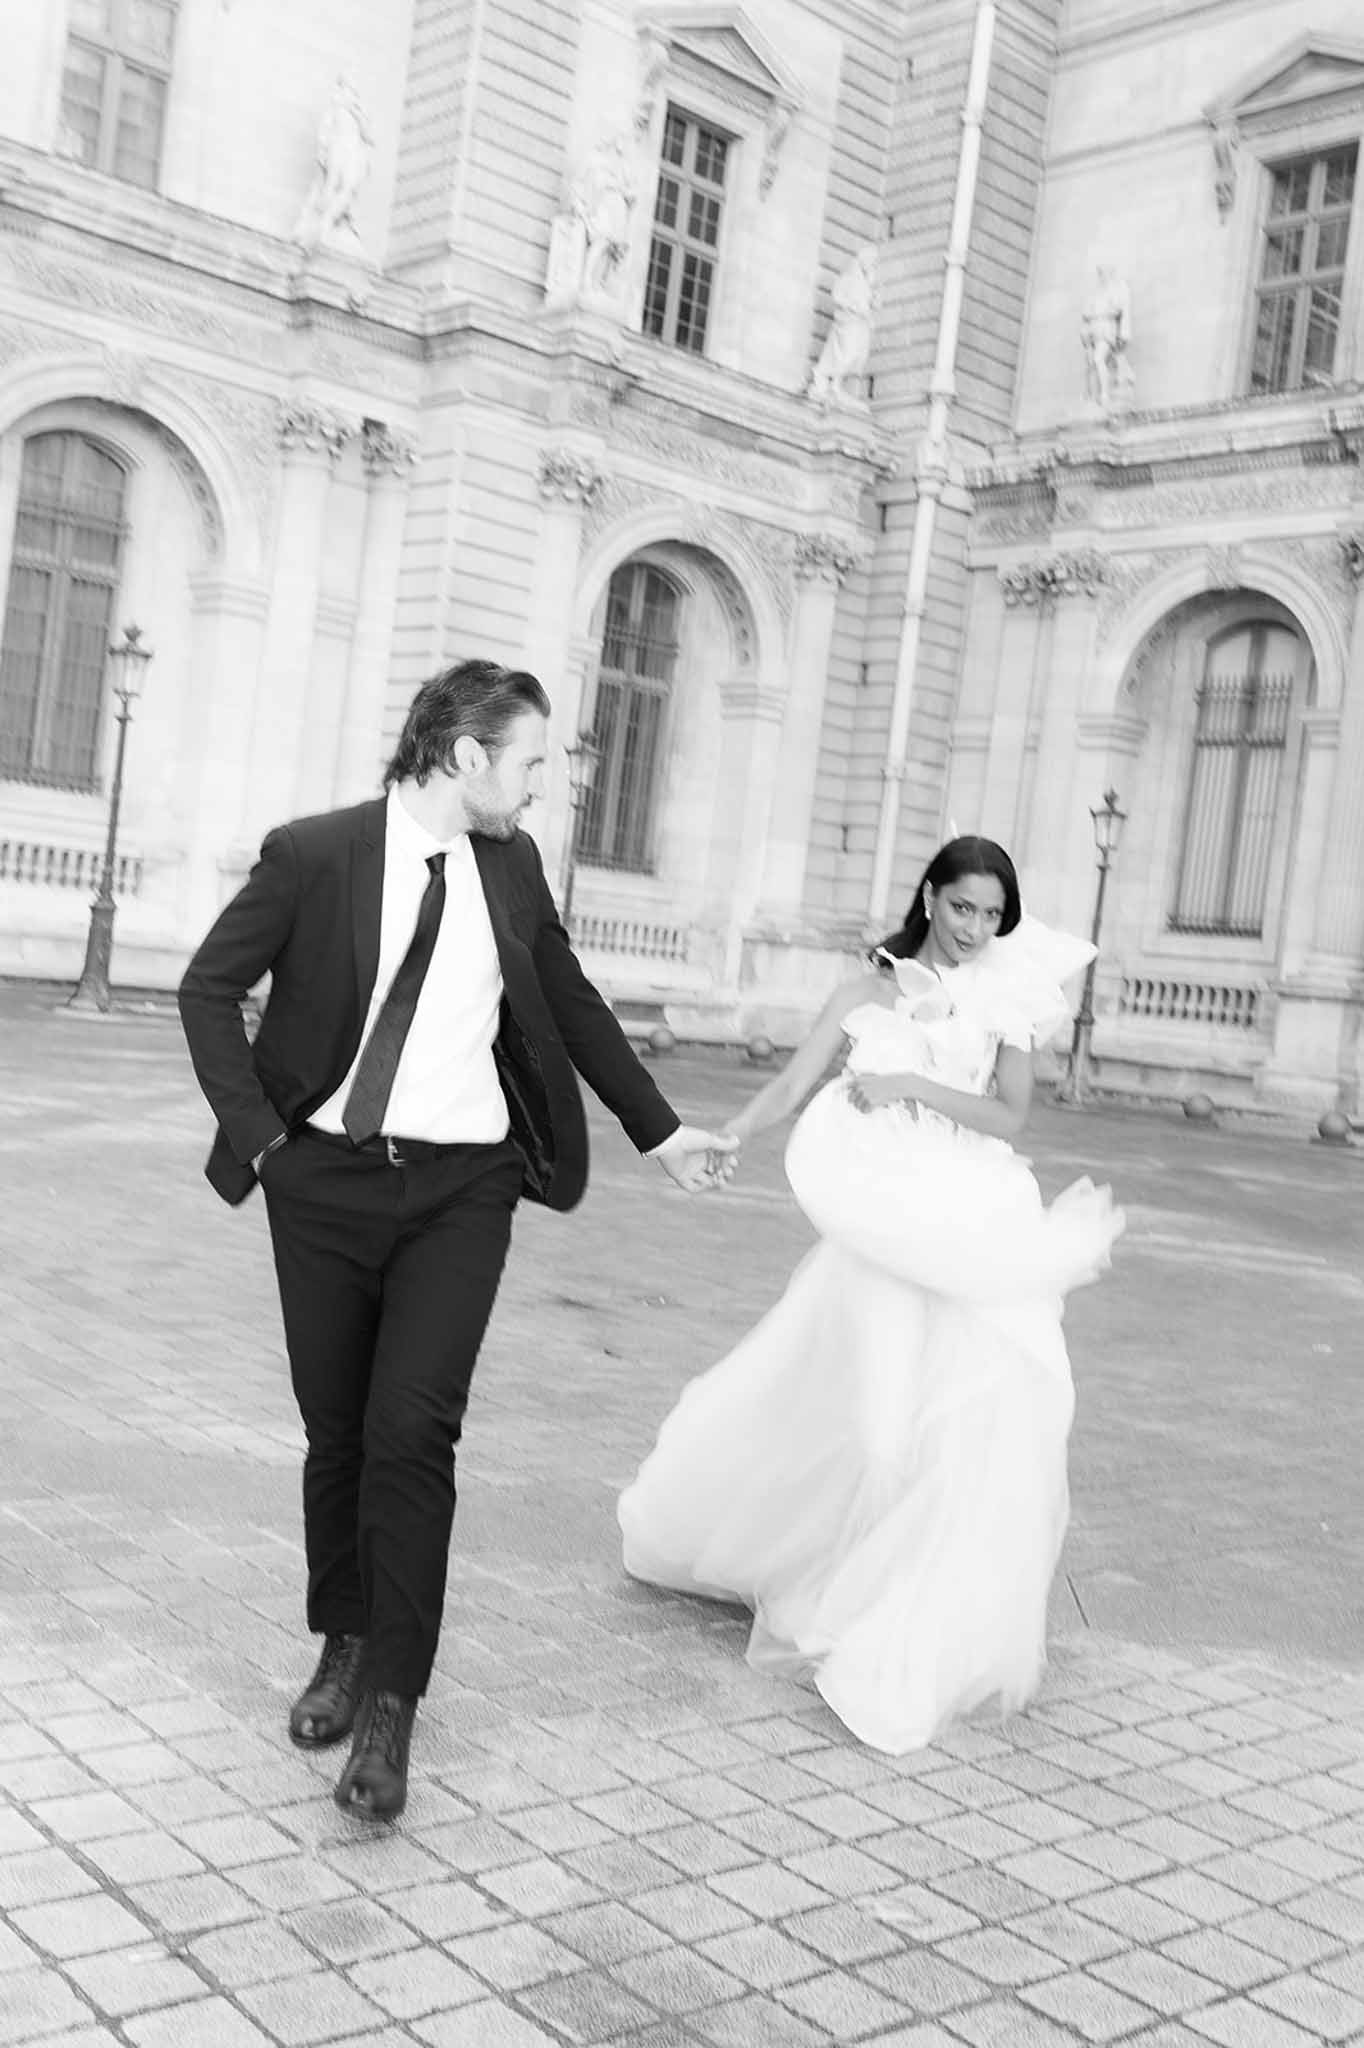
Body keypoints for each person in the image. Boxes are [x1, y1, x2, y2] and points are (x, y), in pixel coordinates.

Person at [179, 659, 735, 1819]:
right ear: (464, 756)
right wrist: (268, 1146)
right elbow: (206, 989)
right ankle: (341, 1637)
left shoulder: (511, 864)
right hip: (322, 1181)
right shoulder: (314, 855)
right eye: (530, 760)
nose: (546, 784)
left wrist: (661, 1129)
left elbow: (569, 999)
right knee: (337, 1431)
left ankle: (390, 1703)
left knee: (410, 1431)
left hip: (460, 1190)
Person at [619, 836, 1123, 1756]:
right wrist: (726, 1134)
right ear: (930, 896)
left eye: (990, 914)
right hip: (884, 1230)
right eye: (962, 906)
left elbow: (1011, 1114)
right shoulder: (864, 994)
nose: (975, 928)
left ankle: (912, 1622)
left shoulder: (1006, 999)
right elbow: (792, 1079)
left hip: (972, 1225)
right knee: (878, 1430)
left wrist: (906, 1084)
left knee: (981, 1419)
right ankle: (826, 1576)